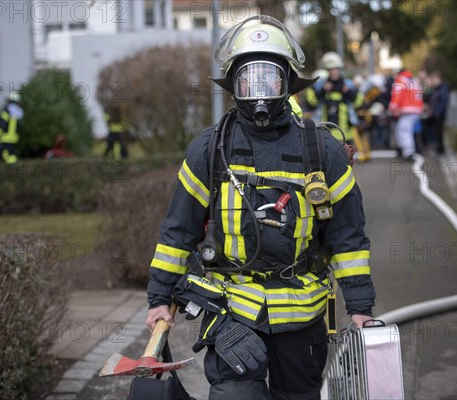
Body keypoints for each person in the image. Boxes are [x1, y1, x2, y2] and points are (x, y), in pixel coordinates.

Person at [145, 16, 375, 399]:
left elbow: (347, 236)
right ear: (234, 84)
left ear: (287, 82)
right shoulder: (208, 149)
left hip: (303, 314)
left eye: (270, 77)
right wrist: (158, 299)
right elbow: (178, 230)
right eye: (249, 79)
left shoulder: (323, 151)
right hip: (232, 311)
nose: (260, 90)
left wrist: (361, 305)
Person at [305, 52, 364, 144]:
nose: (333, 72)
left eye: (335, 69)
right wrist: (323, 91)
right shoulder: (321, 85)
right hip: (325, 132)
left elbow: (359, 103)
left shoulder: (348, 85)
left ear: (340, 69)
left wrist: (349, 92)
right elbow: (311, 103)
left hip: (345, 133)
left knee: (345, 157)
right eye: (330, 69)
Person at [388, 69, 424, 161]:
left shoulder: (401, 80)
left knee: (404, 131)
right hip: (416, 109)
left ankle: (408, 152)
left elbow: (397, 94)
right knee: (402, 129)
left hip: (406, 109)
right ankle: (403, 150)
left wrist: (393, 107)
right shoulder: (414, 81)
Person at [0, 91, 24, 164]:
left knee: (3, 154)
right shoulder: (19, 111)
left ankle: (10, 168)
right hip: (15, 137)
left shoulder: (7, 110)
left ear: (9, 100)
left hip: (5, 137)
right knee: (12, 153)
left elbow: (2, 123)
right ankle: (13, 167)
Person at [428, 71, 450, 155]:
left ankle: (440, 150)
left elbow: (443, 102)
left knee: (439, 132)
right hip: (436, 114)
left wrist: (438, 112)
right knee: (436, 132)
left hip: (439, 115)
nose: (433, 80)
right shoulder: (437, 88)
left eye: (435, 79)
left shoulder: (443, 88)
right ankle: (438, 149)